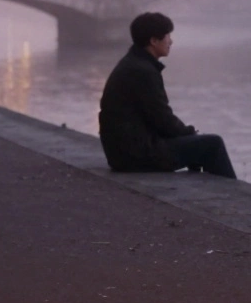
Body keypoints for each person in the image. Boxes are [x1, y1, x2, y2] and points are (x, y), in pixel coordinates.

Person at [98, 12, 237, 179]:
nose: (171, 41)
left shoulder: (132, 63)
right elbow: (162, 119)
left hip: (122, 152)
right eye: (167, 36)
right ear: (153, 41)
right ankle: (237, 197)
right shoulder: (143, 72)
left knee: (195, 144)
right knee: (213, 144)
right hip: (136, 156)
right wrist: (188, 132)